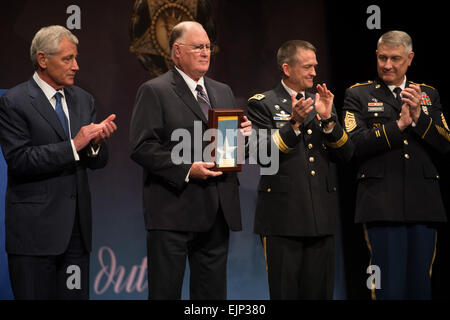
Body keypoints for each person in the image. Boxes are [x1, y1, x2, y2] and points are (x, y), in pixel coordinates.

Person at [129, 21, 252, 300]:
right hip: (173, 211)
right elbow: (141, 147)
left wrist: (242, 136)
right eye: (198, 47)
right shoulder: (155, 90)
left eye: (208, 47)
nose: (205, 52)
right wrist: (187, 169)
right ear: (177, 51)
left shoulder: (222, 91)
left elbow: (226, 149)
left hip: (217, 212)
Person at [0, 25, 117, 300]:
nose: (76, 66)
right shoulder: (14, 102)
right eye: (67, 59)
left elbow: (97, 162)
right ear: (42, 60)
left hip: (76, 235)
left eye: (76, 58)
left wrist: (96, 144)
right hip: (33, 236)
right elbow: (19, 160)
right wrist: (74, 145)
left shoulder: (83, 100)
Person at [343, 30, 450, 300]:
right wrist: (399, 125)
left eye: (395, 59)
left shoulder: (427, 95)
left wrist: (418, 119)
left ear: (410, 59)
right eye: (382, 58)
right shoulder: (359, 94)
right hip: (380, 203)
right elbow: (353, 145)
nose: (387, 65)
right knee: (387, 287)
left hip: (424, 204)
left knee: (420, 288)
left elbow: (445, 142)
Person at [247, 40, 353, 299]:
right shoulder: (263, 104)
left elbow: (346, 154)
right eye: (307, 67)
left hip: (321, 217)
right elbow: (261, 154)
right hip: (283, 219)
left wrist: (328, 120)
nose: (314, 72)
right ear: (287, 68)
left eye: (315, 66)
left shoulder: (322, 102)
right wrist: (293, 123)